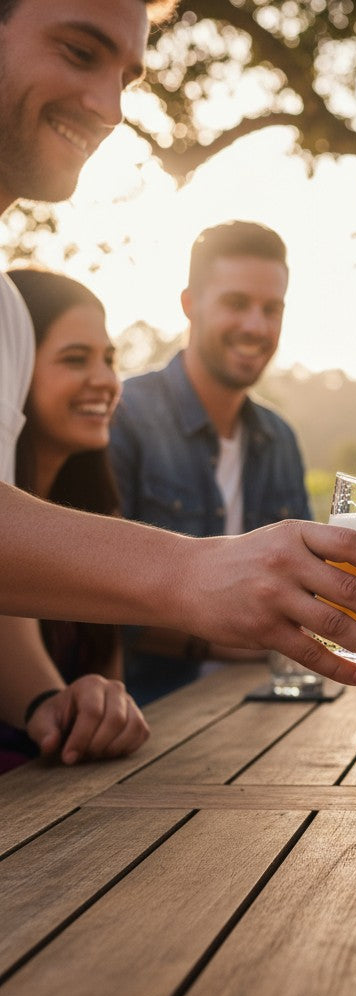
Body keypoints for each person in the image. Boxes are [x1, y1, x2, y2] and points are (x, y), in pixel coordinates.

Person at [0, 0, 356, 766]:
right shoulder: (127, 415)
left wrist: (43, 700)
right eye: (80, 52)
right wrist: (193, 575)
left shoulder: (7, 316)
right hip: (172, 730)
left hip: (231, 735)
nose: (111, 108)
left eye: (128, 78)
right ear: (190, 305)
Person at [109, 221, 313, 701]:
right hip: (153, 709)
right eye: (236, 303)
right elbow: (96, 594)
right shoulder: (123, 416)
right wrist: (224, 644)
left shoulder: (280, 439)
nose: (256, 327)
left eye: (271, 309)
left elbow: (304, 586)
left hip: (269, 706)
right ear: (190, 304)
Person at [0, 267, 141, 770]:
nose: (105, 380)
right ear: (14, 368)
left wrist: (107, 709)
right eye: (75, 359)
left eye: (109, 359)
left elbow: (109, 684)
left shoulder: (96, 510)